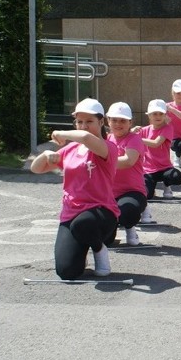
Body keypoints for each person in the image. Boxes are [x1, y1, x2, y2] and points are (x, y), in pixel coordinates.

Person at [30, 98, 119, 279]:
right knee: (66, 272)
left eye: (89, 121)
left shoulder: (108, 147)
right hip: (71, 214)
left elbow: (86, 138)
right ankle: (80, 255)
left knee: (83, 223)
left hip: (101, 213)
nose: (83, 126)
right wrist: (46, 154)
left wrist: (61, 132)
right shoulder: (70, 150)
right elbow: (36, 169)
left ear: (101, 122)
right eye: (79, 122)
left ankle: (99, 249)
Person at [105, 102, 147, 247]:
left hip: (132, 192)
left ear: (130, 122)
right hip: (107, 195)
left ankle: (130, 227)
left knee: (127, 212)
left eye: (123, 120)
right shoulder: (105, 139)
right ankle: (111, 229)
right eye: (114, 120)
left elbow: (128, 161)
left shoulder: (134, 139)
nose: (118, 124)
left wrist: (102, 161)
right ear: (107, 120)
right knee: (105, 241)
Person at [138, 99, 181, 200]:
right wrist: (131, 131)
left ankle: (166, 185)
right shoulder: (144, 130)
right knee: (148, 196)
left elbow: (156, 143)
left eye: (161, 114)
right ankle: (151, 187)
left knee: (177, 177)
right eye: (154, 114)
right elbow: (129, 139)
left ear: (165, 115)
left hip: (165, 168)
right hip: (148, 170)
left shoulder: (167, 128)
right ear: (149, 115)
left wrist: (138, 139)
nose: (158, 116)